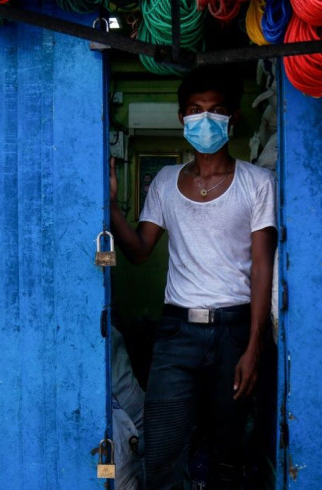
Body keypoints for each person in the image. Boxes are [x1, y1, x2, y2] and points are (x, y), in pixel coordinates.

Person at [109, 64, 277, 490]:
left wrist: (255, 347)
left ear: (233, 118)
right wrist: (110, 204)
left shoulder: (258, 183)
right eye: (196, 110)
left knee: (228, 454)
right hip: (176, 332)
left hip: (235, 330)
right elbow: (140, 250)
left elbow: (262, 268)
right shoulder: (165, 182)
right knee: (162, 451)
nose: (205, 119)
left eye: (216, 110)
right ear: (183, 118)